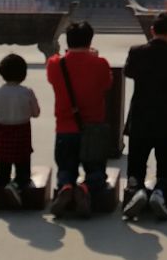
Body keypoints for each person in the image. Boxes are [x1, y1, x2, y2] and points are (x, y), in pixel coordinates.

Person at [121, 12, 167, 222]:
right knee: (165, 167)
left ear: (152, 30)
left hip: (141, 117)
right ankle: (159, 193)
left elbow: (128, 72)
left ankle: (138, 191)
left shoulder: (136, 52)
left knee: (136, 163)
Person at [46, 21, 112, 218]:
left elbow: (52, 80)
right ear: (90, 40)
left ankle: (66, 186)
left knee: (66, 167)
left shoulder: (55, 64)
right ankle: (84, 189)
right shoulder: (100, 64)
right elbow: (107, 84)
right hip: (93, 128)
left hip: (65, 127)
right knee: (96, 171)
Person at [0, 54, 41, 206]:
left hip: (2, 131)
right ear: (23, 74)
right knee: (23, 166)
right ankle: (16, 185)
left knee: (3, 165)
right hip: (22, 130)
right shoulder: (26, 92)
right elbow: (36, 113)